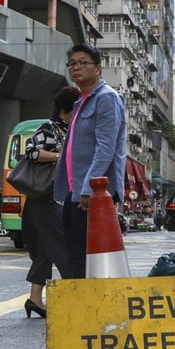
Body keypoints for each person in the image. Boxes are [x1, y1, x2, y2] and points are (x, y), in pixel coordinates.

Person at [53, 43, 127, 279]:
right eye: (72, 64)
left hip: (93, 193)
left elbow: (106, 148)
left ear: (98, 69)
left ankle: (86, 310)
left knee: (86, 259)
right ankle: (78, 308)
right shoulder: (81, 101)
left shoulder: (106, 98)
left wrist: (88, 189)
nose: (77, 68)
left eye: (83, 63)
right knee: (74, 255)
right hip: (76, 192)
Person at [22, 85, 80, 317]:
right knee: (63, 247)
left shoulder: (69, 129)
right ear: (67, 108)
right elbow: (31, 152)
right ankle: (74, 297)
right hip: (44, 200)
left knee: (46, 251)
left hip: (56, 199)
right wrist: (59, 156)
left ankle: (35, 299)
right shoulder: (50, 128)